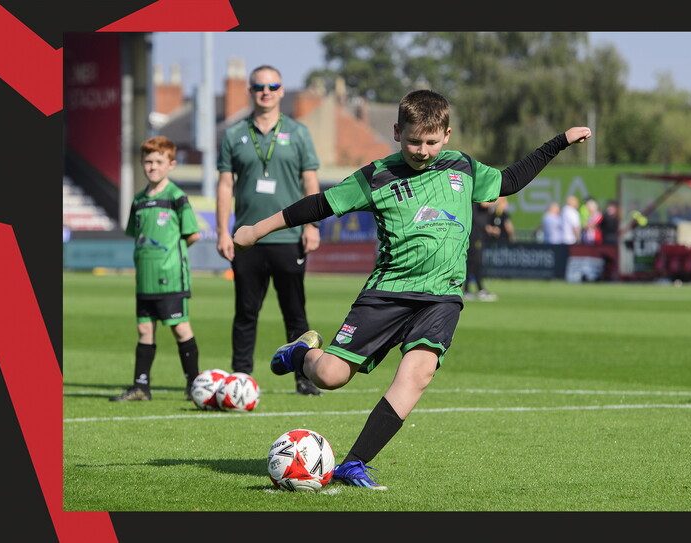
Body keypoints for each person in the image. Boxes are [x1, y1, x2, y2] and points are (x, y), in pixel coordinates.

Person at [232, 89, 591, 488]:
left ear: (447, 134)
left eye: (431, 142)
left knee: (418, 373)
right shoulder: (375, 176)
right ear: (397, 131)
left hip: (441, 297)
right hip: (387, 292)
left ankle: (354, 463)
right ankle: (302, 353)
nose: (422, 150)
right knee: (331, 376)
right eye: (413, 141)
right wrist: (257, 230)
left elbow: (510, 180)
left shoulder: (463, 168)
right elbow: (319, 205)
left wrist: (559, 141)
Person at [215, 65, 323, 396]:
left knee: (295, 313)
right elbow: (224, 185)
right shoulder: (234, 134)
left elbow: (310, 182)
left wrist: (312, 226)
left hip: (289, 238)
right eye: (259, 86)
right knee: (245, 312)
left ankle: (305, 377)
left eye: (272, 85)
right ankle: (241, 379)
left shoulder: (299, 132)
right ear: (250, 90)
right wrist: (223, 231)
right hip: (247, 241)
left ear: (281, 90)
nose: (266, 91)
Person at [111, 136, 201, 402]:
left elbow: (192, 234)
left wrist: (171, 256)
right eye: (148, 161)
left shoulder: (176, 197)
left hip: (170, 277)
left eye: (159, 162)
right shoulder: (138, 200)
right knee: (144, 330)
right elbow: (136, 235)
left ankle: (194, 385)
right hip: (145, 280)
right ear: (141, 163)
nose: (152, 167)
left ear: (171, 164)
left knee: (180, 328)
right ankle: (141, 386)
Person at [464, 201, 496, 301]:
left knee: (474, 262)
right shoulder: (475, 203)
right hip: (474, 236)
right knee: (474, 262)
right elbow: (482, 207)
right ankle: (476, 290)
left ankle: (470, 290)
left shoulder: (480, 209)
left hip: (477, 235)